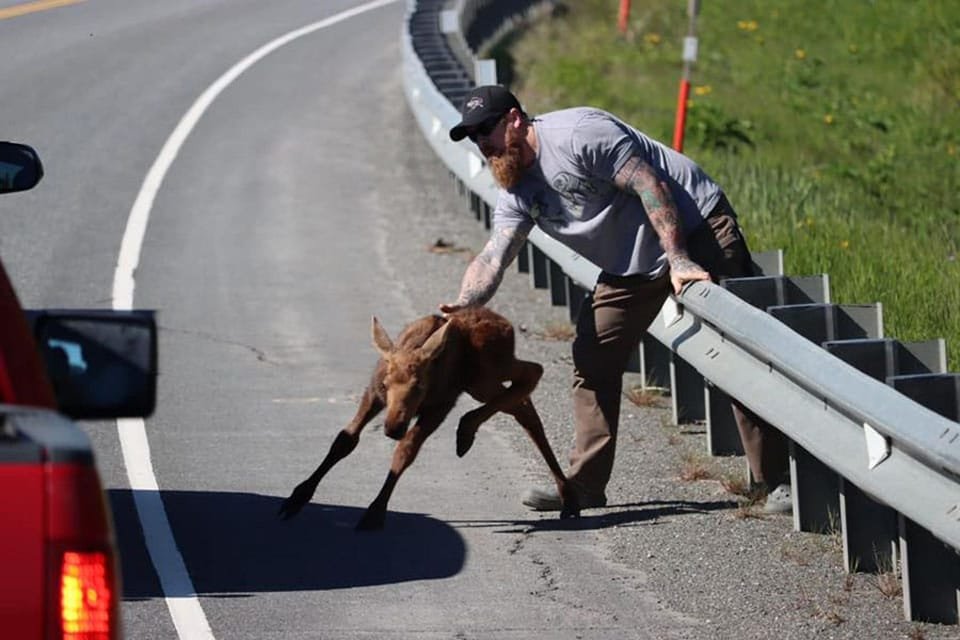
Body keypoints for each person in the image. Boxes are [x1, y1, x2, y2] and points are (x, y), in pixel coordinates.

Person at [440, 85, 791, 514]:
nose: (481, 144)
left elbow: (651, 186)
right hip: (633, 264)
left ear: (515, 119)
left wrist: (679, 258)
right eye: (472, 137)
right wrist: (463, 308)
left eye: (486, 131)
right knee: (593, 357)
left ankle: (775, 483)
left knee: (735, 352)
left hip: (696, 229)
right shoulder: (516, 190)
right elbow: (494, 256)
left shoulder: (579, 135)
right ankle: (585, 486)